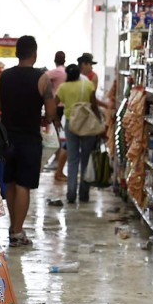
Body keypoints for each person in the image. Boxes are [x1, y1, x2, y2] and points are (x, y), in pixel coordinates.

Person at [0, 35, 58, 247]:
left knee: (11, 183)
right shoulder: (42, 79)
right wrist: (44, 117)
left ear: (16, 53)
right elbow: (50, 112)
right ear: (35, 53)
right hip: (29, 139)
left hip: (7, 138)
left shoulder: (4, 76)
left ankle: (13, 228)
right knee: (24, 186)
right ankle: (17, 232)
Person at [55, 64, 100, 203]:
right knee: (86, 159)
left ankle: (71, 193)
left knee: (73, 159)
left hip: (71, 124)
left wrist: (56, 120)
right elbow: (94, 105)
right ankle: (84, 193)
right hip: (87, 124)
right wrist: (99, 122)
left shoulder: (63, 87)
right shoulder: (88, 85)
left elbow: (54, 103)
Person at [45, 51, 68, 182]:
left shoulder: (56, 71)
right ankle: (56, 158)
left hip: (56, 106)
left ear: (55, 60)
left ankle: (56, 158)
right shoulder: (66, 72)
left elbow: (43, 77)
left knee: (54, 133)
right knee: (59, 133)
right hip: (65, 106)